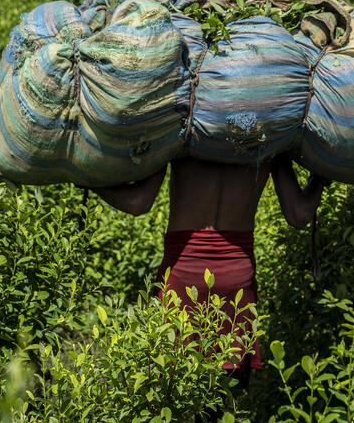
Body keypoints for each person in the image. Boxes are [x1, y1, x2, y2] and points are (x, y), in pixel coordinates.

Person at [91, 154, 329, 389]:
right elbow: (299, 214)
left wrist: (89, 182)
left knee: (165, 391)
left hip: (181, 282)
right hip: (236, 287)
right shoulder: (269, 138)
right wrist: (319, 177)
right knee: (223, 402)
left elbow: (137, 203)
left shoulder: (183, 130)